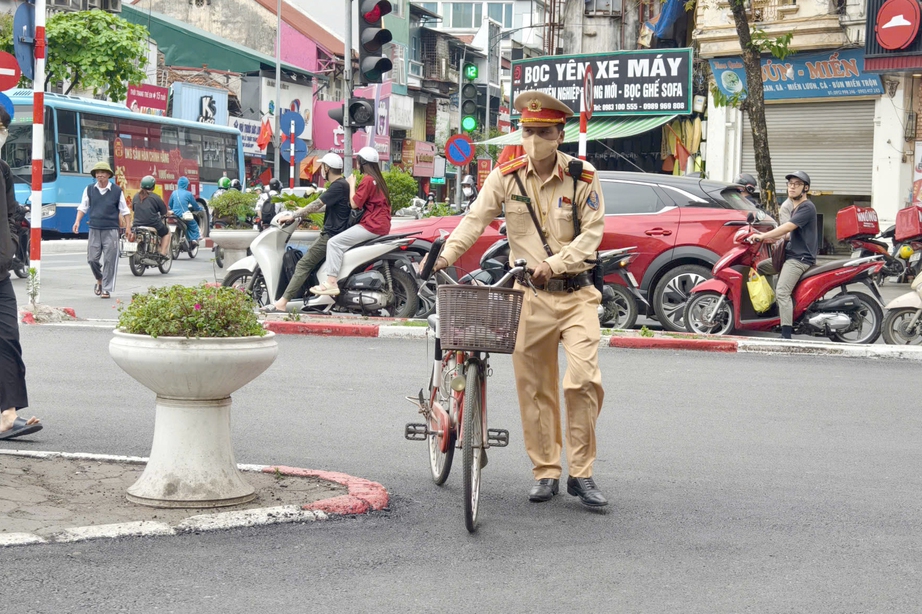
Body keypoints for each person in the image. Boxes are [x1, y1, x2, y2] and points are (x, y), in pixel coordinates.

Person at [432, 91, 608, 508]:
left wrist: (558, 262)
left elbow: (593, 234)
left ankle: (581, 474)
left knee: (582, 380)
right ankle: (546, 471)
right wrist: (443, 257)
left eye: (542, 132)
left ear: (558, 134)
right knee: (534, 389)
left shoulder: (583, 176)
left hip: (577, 293)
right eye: (527, 131)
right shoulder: (505, 176)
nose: (533, 140)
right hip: (527, 297)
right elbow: (474, 220)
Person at [261, 153, 350, 312]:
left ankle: (282, 303)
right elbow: (325, 206)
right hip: (336, 232)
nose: (322, 170)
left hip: (331, 234)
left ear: (327, 168)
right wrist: (302, 211)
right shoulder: (341, 185)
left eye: (323, 167)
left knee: (303, 264)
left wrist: (294, 215)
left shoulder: (338, 185)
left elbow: (317, 203)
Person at [0, 106, 40, 440]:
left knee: (8, 339)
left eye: (2, 127)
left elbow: (13, 214)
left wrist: (11, 244)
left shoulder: (2, 170)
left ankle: (7, 415)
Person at [310, 147, 392, 296]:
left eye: (358, 161)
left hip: (371, 225)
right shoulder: (379, 180)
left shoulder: (367, 180)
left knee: (334, 243)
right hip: (382, 224)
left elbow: (355, 204)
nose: (357, 164)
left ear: (362, 162)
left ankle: (331, 282)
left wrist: (352, 184)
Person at [751, 171, 818, 340]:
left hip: (799, 258)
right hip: (790, 254)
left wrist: (764, 236)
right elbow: (788, 234)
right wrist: (763, 235)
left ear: (806, 188)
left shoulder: (806, 207)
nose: (792, 187)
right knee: (761, 267)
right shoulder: (795, 207)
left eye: (797, 184)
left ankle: (786, 333)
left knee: (782, 291)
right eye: (790, 184)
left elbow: (788, 227)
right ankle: (772, 307)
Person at [73, 161, 131, 299]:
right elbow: (83, 207)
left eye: (103, 173)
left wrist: (128, 226)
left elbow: (125, 210)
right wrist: (77, 221)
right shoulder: (89, 189)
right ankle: (99, 279)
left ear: (108, 175)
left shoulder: (117, 191)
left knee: (110, 259)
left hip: (111, 230)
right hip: (94, 228)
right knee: (92, 259)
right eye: (97, 173)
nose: (100, 175)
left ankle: (106, 288)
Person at [131, 175, 171, 258]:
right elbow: (164, 212)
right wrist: (169, 213)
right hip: (152, 223)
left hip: (136, 224)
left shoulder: (135, 197)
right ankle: (163, 254)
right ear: (153, 187)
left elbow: (134, 209)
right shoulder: (156, 197)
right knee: (166, 232)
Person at [168, 176, 203, 246]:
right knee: (193, 224)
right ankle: (194, 239)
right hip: (184, 214)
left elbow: (170, 205)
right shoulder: (188, 194)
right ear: (186, 185)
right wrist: (199, 209)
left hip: (174, 214)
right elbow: (195, 205)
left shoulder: (174, 193)